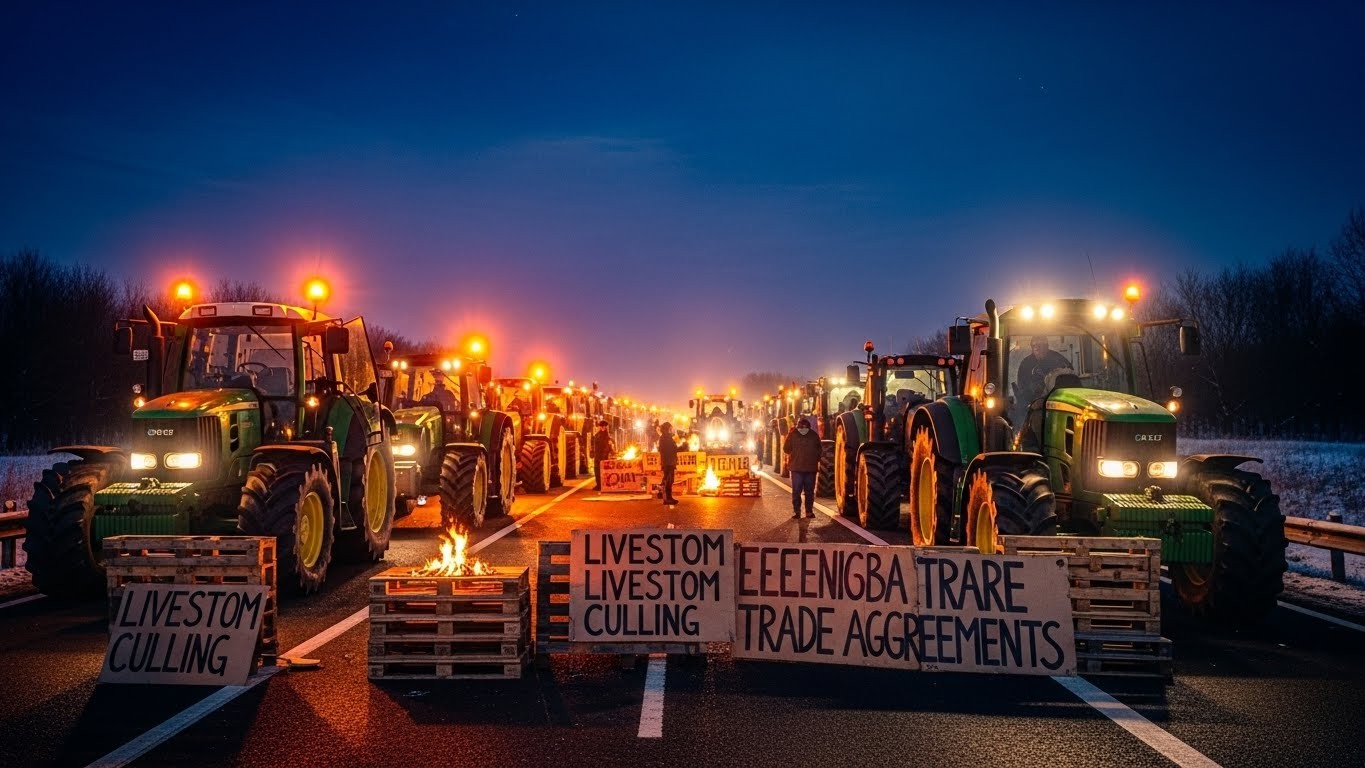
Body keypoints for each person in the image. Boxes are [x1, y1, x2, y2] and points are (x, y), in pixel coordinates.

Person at [783, 417, 822, 519]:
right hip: (810, 469)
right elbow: (820, 451)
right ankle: (809, 512)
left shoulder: (792, 435)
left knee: (797, 491)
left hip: (796, 469)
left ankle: (797, 512)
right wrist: (814, 460)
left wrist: (794, 455)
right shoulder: (814, 435)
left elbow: (786, 449)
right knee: (809, 491)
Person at [1015, 336, 1072, 405]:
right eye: (1034, 345)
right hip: (1033, 404)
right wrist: (1032, 402)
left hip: (1058, 401)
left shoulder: (1059, 360)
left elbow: (1070, 379)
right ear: (1032, 348)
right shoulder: (1025, 364)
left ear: (1047, 346)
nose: (1037, 347)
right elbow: (1022, 388)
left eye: (1041, 345)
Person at [657, 422, 679, 505]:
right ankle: (666, 498)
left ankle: (669, 497)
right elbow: (671, 449)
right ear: (667, 429)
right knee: (668, 480)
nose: (671, 430)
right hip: (668, 462)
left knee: (670, 480)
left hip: (669, 461)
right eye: (670, 428)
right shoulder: (665, 438)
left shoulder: (666, 437)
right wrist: (680, 447)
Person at [592, 419, 615, 491]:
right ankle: (599, 485)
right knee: (597, 471)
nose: (603, 428)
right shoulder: (597, 435)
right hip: (598, 456)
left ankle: (603, 485)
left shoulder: (607, 437)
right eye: (602, 426)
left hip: (604, 456)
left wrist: (611, 452)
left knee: (604, 471)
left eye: (604, 427)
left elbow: (609, 446)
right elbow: (594, 446)